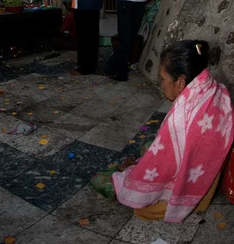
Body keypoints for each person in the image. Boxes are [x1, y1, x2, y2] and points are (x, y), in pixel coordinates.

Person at [92, 40, 234, 222]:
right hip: (205, 172)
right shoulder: (215, 88)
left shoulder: (180, 120)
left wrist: (130, 172)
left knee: (102, 180)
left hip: (189, 186)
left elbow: (162, 166)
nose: (162, 85)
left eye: (164, 79)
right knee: (150, 147)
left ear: (181, 82)